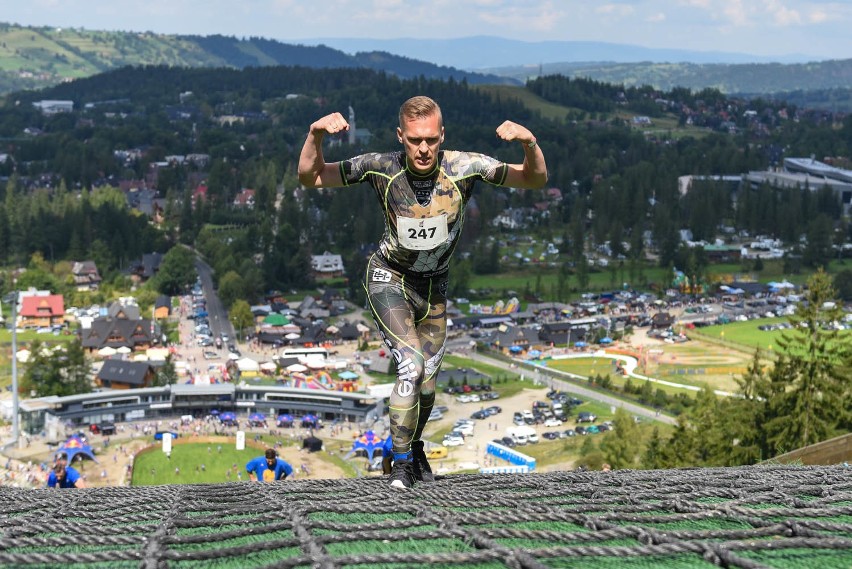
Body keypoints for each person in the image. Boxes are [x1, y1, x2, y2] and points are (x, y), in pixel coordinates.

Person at [299, 96, 547, 488]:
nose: (424, 148)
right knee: (410, 366)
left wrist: (529, 142)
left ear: (442, 135)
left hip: (434, 287)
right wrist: (315, 134)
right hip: (389, 278)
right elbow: (311, 177)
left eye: (431, 139)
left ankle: (409, 448)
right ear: (401, 137)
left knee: (427, 386)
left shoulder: (465, 167)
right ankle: (399, 469)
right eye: (415, 140)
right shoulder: (381, 167)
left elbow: (534, 179)